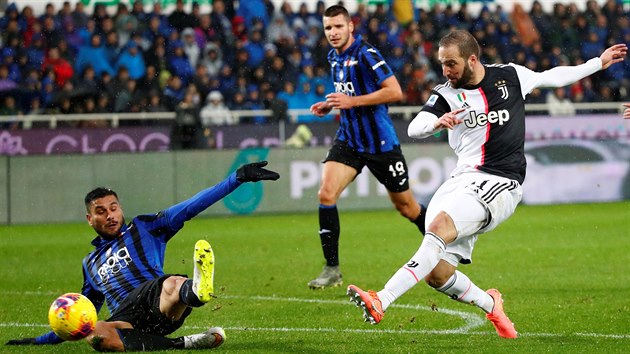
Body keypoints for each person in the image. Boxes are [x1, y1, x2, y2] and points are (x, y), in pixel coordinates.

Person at [346, 30, 626, 338]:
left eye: (451, 64)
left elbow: (554, 77)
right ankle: (490, 303)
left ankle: (381, 299)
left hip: (501, 181)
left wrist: (597, 63)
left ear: (472, 59)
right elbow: (416, 126)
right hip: (461, 181)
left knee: (438, 226)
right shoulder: (446, 94)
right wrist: (438, 122)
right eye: (441, 64)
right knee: (436, 274)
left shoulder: (510, 76)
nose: (445, 71)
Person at [5, 162, 280, 351]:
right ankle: (187, 343)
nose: (110, 215)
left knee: (171, 283)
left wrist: (237, 178)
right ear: (90, 219)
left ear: (121, 209)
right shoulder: (89, 264)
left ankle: (197, 290)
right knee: (96, 335)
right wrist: (39, 341)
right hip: (127, 319)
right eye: (101, 211)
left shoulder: (145, 227)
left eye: (113, 208)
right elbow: (81, 316)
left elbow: (189, 207)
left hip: (157, 299)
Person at [308, 5, 426, 290]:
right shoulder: (334, 57)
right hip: (349, 140)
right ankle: (332, 268)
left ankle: (443, 240)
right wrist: (331, 104)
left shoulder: (366, 54)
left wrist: (352, 102)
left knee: (407, 208)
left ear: (351, 27)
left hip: (380, 144)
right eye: (328, 28)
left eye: (338, 26)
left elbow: (394, 91)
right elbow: (348, 93)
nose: (333, 33)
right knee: (325, 194)